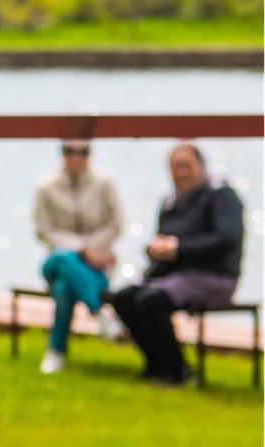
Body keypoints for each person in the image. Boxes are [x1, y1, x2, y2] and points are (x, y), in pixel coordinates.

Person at [109, 143, 247, 386]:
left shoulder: (222, 195)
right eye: (175, 167)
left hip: (214, 276)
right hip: (174, 276)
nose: (181, 173)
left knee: (151, 300)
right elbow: (163, 241)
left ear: (201, 166)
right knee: (123, 297)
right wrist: (154, 250)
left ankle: (178, 370)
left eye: (186, 166)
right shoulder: (171, 202)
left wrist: (179, 249)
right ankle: (156, 364)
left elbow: (227, 239)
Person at [32, 140, 122, 373]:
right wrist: (81, 248)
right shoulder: (46, 186)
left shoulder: (104, 183)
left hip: (97, 265)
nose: (76, 157)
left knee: (64, 288)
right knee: (64, 258)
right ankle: (99, 312)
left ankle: (56, 351)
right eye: (70, 151)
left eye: (83, 152)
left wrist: (94, 250)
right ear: (62, 153)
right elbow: (43, 231)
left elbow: (116, 225)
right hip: (56, 262)